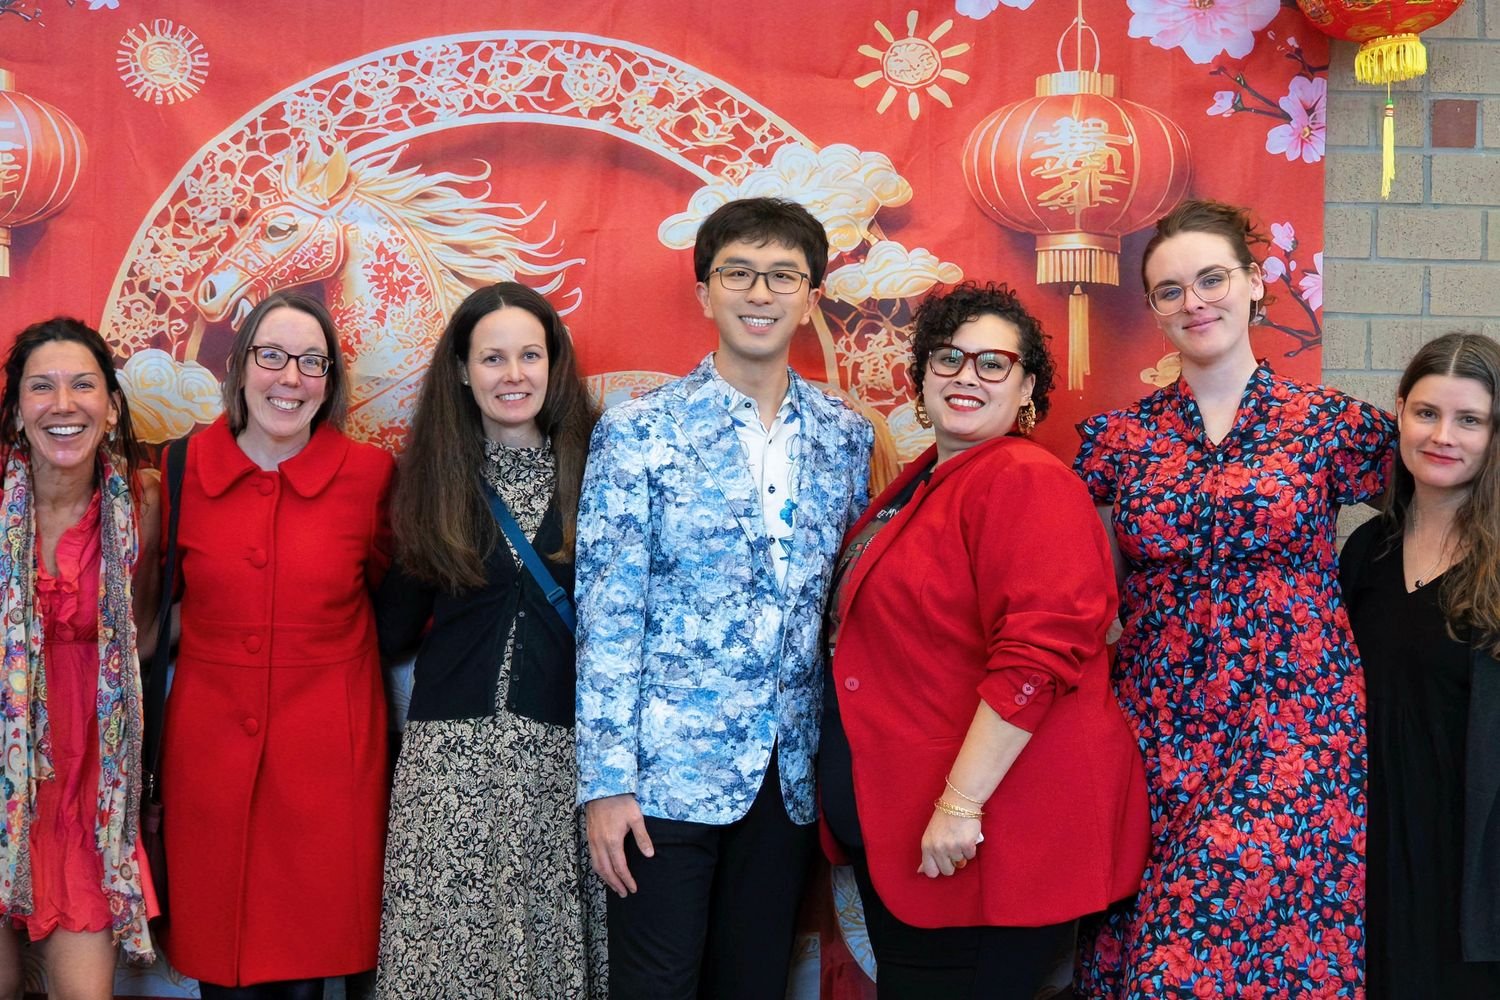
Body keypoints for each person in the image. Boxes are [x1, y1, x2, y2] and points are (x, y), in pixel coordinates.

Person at [1073, 199, 1396, 998]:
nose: (1195, 302)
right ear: (1153, 310)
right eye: (1170, 290)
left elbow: (1447, 497)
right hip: (1155, 721)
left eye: (1211, 279)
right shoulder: (1117, 440)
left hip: (1295, 720)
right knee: (1147, 932)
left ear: (1254, 283)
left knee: (1207, 945)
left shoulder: (1330, 425)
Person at [575, 196, 874, 999]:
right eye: (738, 272)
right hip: (661, 779)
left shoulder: (846, 435)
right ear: (705, 293)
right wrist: (606, 782)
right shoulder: (640, 431)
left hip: (786, 779)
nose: (760, 292)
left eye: (783, 275)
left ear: (811, 297)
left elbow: (843, 610)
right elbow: (609, 618)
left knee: (753, 984)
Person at [820, 282, 1150, 999]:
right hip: (911, 834)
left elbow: (1037, 657)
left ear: (1027, 387)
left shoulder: (1025, 480)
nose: (966, 375)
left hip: (984, 839)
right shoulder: (926, 482)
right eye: (948, 357)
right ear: (921, 376)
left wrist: (960, 804)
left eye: (993, 363)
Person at [374, 282, 606, 999]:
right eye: (493, 357)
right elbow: (392, 628)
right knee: (446, 959)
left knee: (546, 956)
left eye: (530, 355)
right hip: (448, 765)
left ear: (554, 364)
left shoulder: (602, 469)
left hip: (564, 759)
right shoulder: (431, 480)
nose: (514, 375)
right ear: (461, 370)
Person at [160, 292, 393, 999]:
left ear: (330, 380)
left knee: (306, 974)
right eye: (272, 356)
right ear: (239, 367)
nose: (290, 378)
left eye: (312, 362)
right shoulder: (180, 469)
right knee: (222, 974)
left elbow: (396, 605)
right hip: (209, 766)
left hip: (326, 771)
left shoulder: (371, 477)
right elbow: (152, 613)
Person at [0, 317, 160, 998]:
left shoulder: (145, 503)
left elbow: (146, 634)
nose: (63, 404)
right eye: (42, 387)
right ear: (17, 412)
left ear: (112, 406)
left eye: (83, 385)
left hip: (90, 795)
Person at [1340, 331, 1500, 997]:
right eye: (1427, 413)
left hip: (1471, 867)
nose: (1443, 437)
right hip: (1371, 850)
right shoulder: (1366, 550)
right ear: (1400, 412)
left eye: (1470, 420)